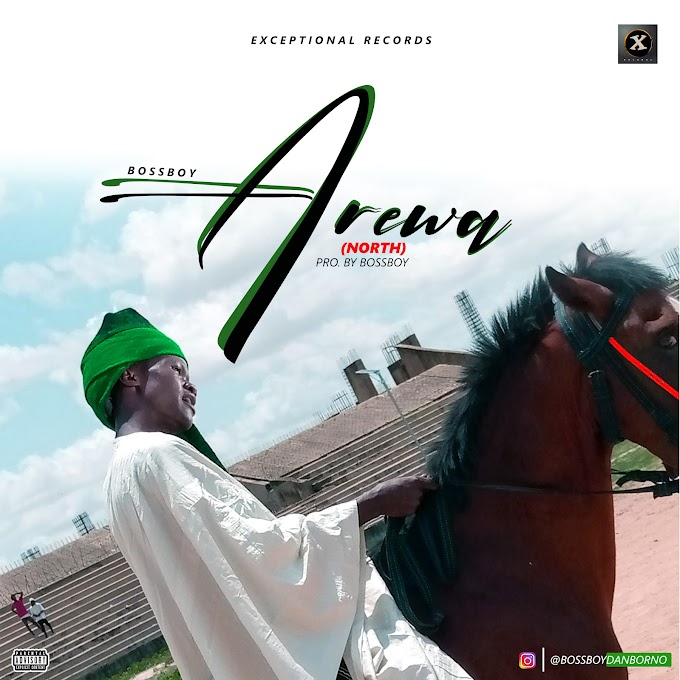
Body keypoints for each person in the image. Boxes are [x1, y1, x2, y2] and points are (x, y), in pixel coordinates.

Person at [81, 309, 470, 680]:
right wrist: (370, 504)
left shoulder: (119, 480)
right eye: (176, 370)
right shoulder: (158, 457)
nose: (191, 385)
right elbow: (262, 552)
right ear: (130, 375)